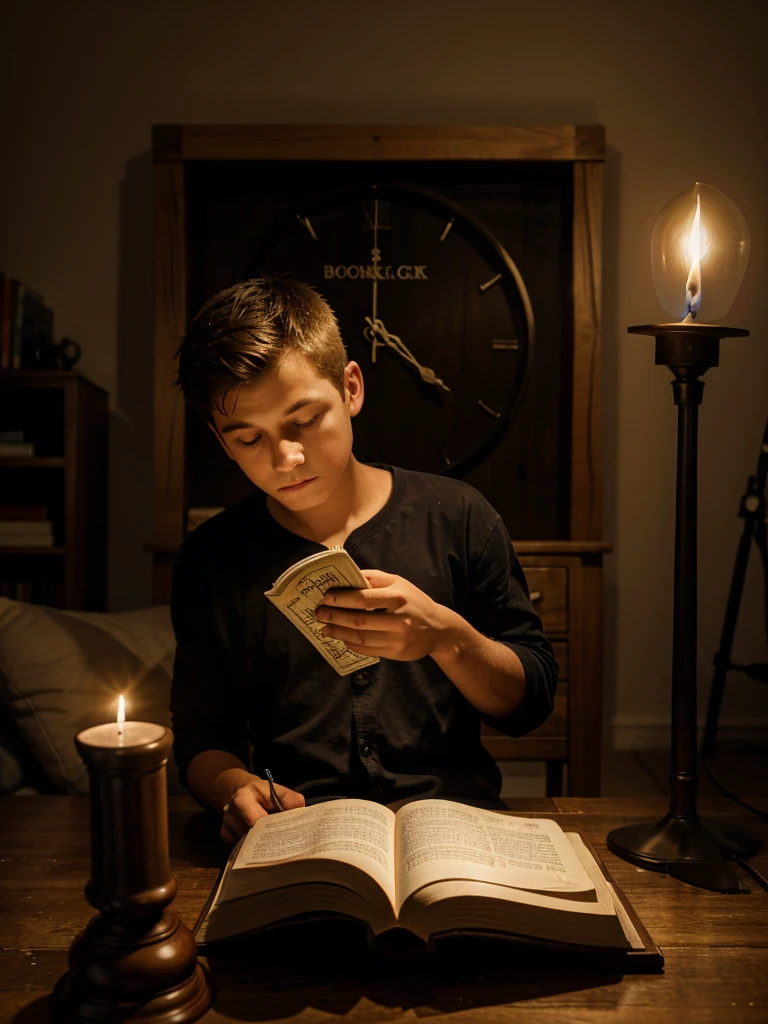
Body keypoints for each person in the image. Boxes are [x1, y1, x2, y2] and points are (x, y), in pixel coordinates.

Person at [171, 277, 558, 844]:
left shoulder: (458, 515)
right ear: (221, 441)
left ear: (351, 387)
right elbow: (202, 737)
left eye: (304, 420)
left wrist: (447, 638)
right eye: (248, 438)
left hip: (457, 833)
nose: (287, 458)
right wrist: (233, 786)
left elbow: (532, 702)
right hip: (301, 833)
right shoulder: (212, 559)